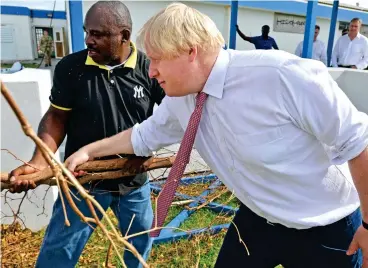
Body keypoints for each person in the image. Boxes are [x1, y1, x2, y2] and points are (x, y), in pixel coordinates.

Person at [67, 3, 368, 268]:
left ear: (190, 52)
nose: (151, 71)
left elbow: (358, 142)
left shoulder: (282, 77)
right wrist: (89, 151)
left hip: (327, 226)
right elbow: (144, 135)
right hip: (259, 218)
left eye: (157, 59)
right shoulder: (181, 99)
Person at [9, 1, 165, 267]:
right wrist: (39, 162)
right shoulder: (71, 69)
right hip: (83, 182)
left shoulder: (148, 69)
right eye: (87, 32)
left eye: (98, 34)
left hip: (134, 181)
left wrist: (148, 152)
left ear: (124, 36)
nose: (88, 40)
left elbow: (171, 116)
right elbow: (57, 117)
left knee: (139, 246)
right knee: (58, 255)